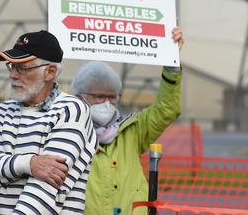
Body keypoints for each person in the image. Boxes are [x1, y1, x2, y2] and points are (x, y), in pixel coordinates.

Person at [0, 30, 97, 214]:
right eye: (11, 66)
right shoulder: (1, 111)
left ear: (50, 71)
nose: (13, 75)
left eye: (22, 68)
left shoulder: (70, 109)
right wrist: (29, 164)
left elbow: (44, 192)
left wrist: (3, 166)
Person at [73, 27, 184, 215]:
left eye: (112, 97)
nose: (106, 104)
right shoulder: (66, 132)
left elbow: (167, 110)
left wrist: (172, 64)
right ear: (80, 97)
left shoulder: (132, 130)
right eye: (99, 96)